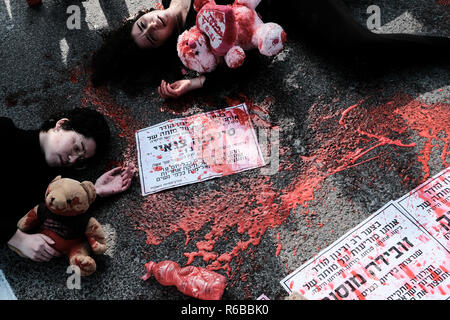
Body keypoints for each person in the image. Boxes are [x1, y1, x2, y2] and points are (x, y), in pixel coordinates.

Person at [91, 0, 450, 98]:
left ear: (141, 15)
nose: (153, 27)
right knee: (357, 49)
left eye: (143, 25)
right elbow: (241, 64)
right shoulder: (194, 39)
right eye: (152, 37)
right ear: (165, 44)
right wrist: (196, 84)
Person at [1, 108, 133, 262]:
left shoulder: (55, 182)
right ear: (61, 125)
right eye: (76, 148)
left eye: (80, 160)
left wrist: (94, 192)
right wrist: (17, 238)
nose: (72, 160)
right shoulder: (5, 131)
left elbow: (57, 211)